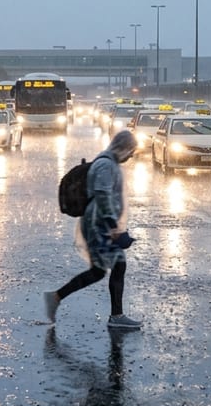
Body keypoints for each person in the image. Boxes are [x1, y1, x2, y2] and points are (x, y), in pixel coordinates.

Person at [44, 131, 141, 330]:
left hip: (101, 223)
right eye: (130, 151)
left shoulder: (108, 162)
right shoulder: (105, 164)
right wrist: (112, 225)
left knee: (99, 271)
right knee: (118, 265)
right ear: (122, 147)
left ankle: (56, 297)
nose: (131, 156)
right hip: (99, 225)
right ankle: (116, 316)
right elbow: (103, 195)